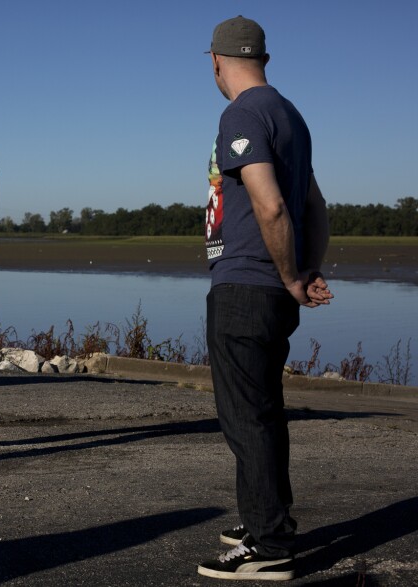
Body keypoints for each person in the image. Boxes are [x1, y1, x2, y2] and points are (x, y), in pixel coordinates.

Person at [197, 16, 334, 581]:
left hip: (247, 287)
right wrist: (304, 272)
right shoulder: (290, 116)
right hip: (271, 287)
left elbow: (273, 205)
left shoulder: (242, 112)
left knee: (246, 419)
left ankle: (270, 548)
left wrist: (287, 275)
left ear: (215, 61)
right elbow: (316, 208)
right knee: (263, 414)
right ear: (265, 58)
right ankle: (265, 521)